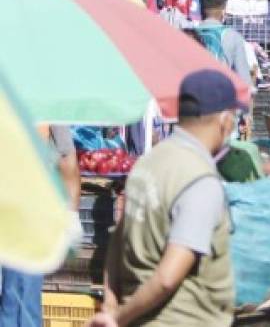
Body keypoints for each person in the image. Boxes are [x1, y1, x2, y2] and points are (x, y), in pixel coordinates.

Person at [88, 70, 241, 327]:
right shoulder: (199, 181)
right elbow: (168, 277)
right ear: (224, 121)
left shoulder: (147, 164)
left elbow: (117, 242)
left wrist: (112, 304)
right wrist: (116, 318)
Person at [0, 125, 80, 326]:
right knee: (12, 295)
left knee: (23, 295)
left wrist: (72, 217)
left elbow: (69, 166)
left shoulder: (52, 116)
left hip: (33, 216)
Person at [197, 0, 253, 89]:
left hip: (194, 97)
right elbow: (244, 81)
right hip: (221, 96)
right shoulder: (232, 36)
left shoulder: (189, 35)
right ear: (223, 11)